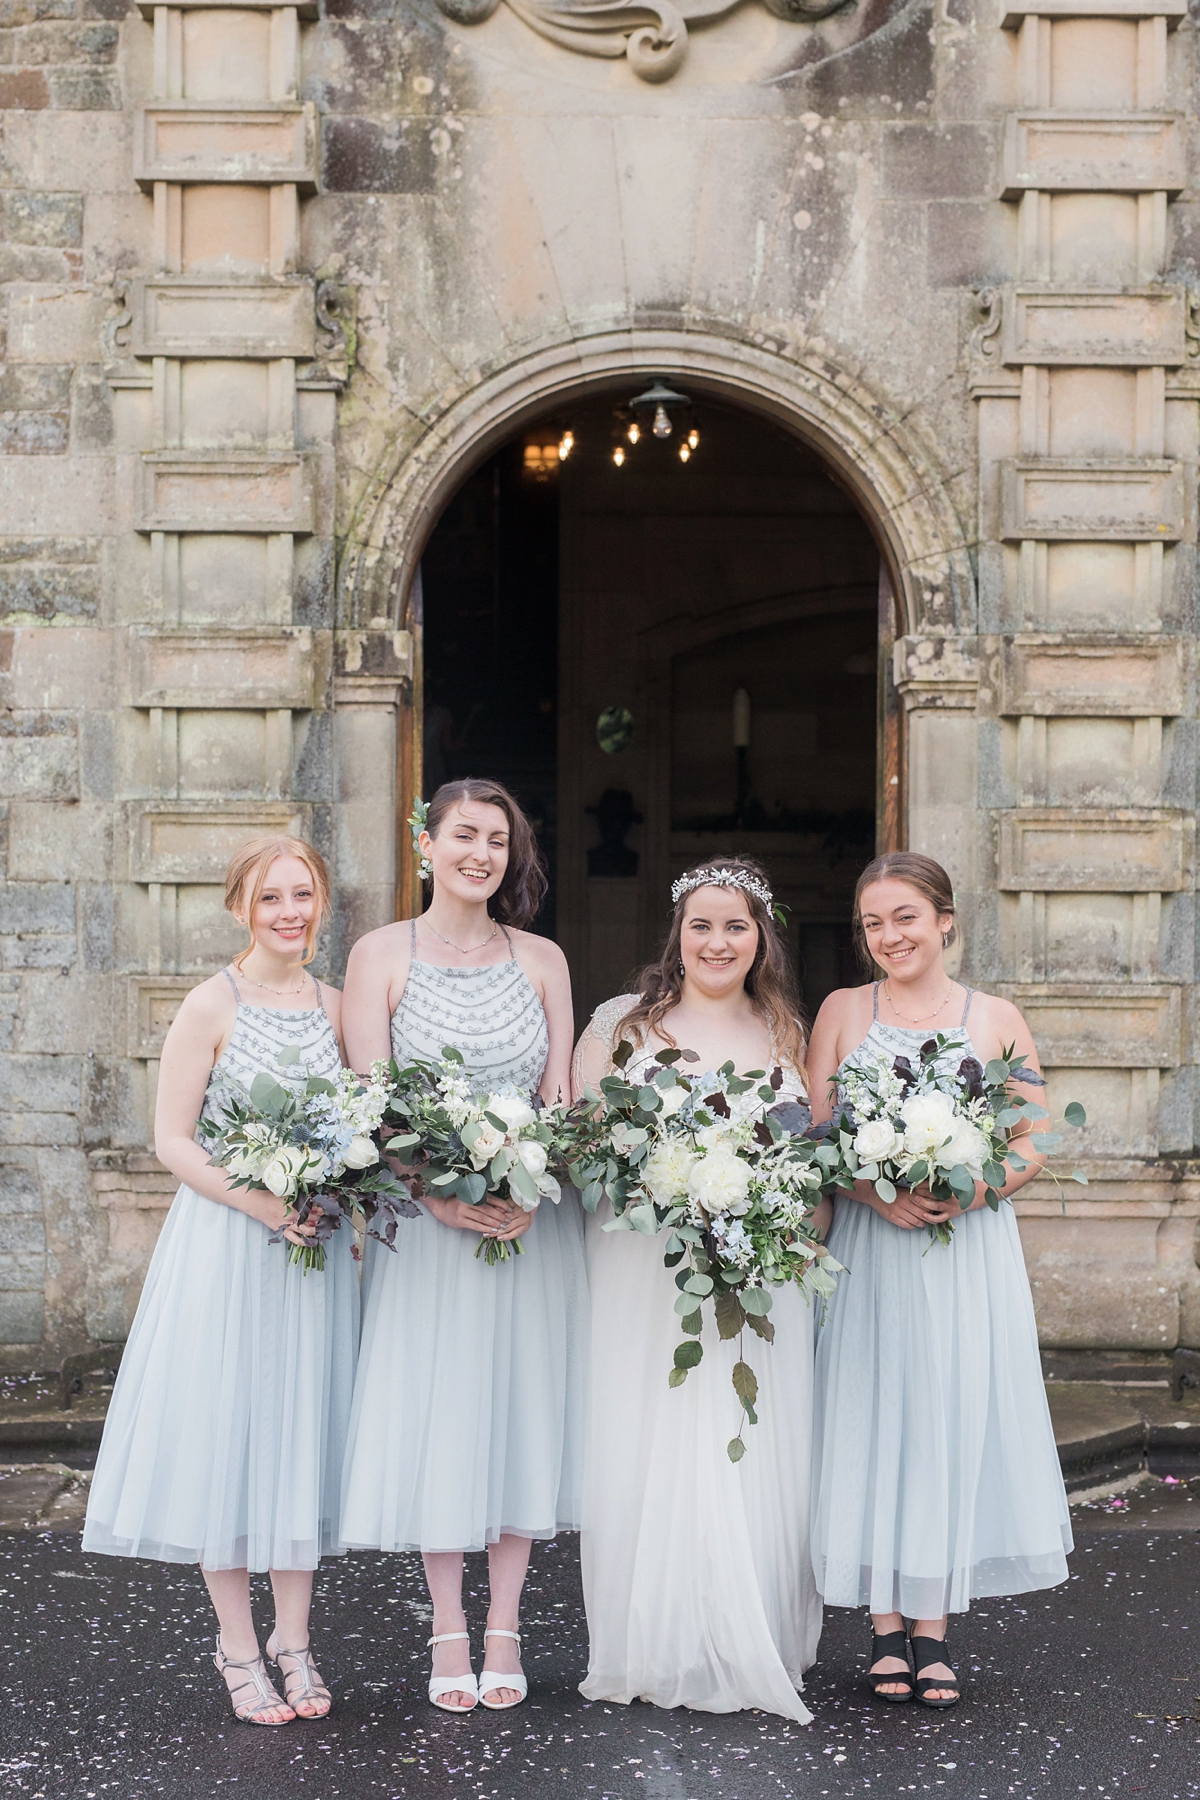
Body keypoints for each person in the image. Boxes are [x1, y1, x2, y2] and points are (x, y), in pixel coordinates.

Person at [83, 837, 358, 1726]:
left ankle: (296, 1638)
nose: (290, 912)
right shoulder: (210, 1004)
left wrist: (330, 1197)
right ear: (241, 906)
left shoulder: (338, 1007)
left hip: (312, 1252)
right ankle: (238, 1647)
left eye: (303, 894)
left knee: (298, 1436)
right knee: (231, 1439)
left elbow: (362, 1122)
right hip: (230, 1246)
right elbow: (173, 1141)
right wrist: (264, 1203)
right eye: (272, 897)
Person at [338, 777, 585, 1714]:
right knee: (441, 1415)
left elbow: (561, 1094)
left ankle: (507, 1623)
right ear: (426, 843)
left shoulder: (544, 959)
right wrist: (434, 1196)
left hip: (528, 1228)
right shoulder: (378, 955)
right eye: (464, 836)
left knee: (519, 1409)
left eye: (497, 840)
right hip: (427, 1232)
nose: (480, 853)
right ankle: (447, 1624)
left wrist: (535, 1183)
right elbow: (374, 1098)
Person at [806, 851, 1072, 1708]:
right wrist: (869, 1191)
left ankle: (933, 1627)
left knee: (947, 1419)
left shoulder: (995, 1018)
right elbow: (814, 1135)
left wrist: (971, 1189)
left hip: (965, 1251)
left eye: (906, 918)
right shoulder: (843, 1012)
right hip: (876, 1250)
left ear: (945, 920)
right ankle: (883, 1626)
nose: (890, 937)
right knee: (876, 1413)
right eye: (874, 923)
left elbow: (1032, 1136)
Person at [573, 857, 831, 1721]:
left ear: (761, 939)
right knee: (654, 1437)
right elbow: (587, 1150)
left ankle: (744, 1630)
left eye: (736, 926)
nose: (718, 942)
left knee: (749, 1439)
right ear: (676, 936)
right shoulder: (624, 1029)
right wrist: (666, 1194)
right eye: (701, 925)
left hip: (758, 1275)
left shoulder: (788, 1032)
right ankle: (657, 1639)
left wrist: (775, 1223)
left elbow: (812, 1169)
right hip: (649, 1276)